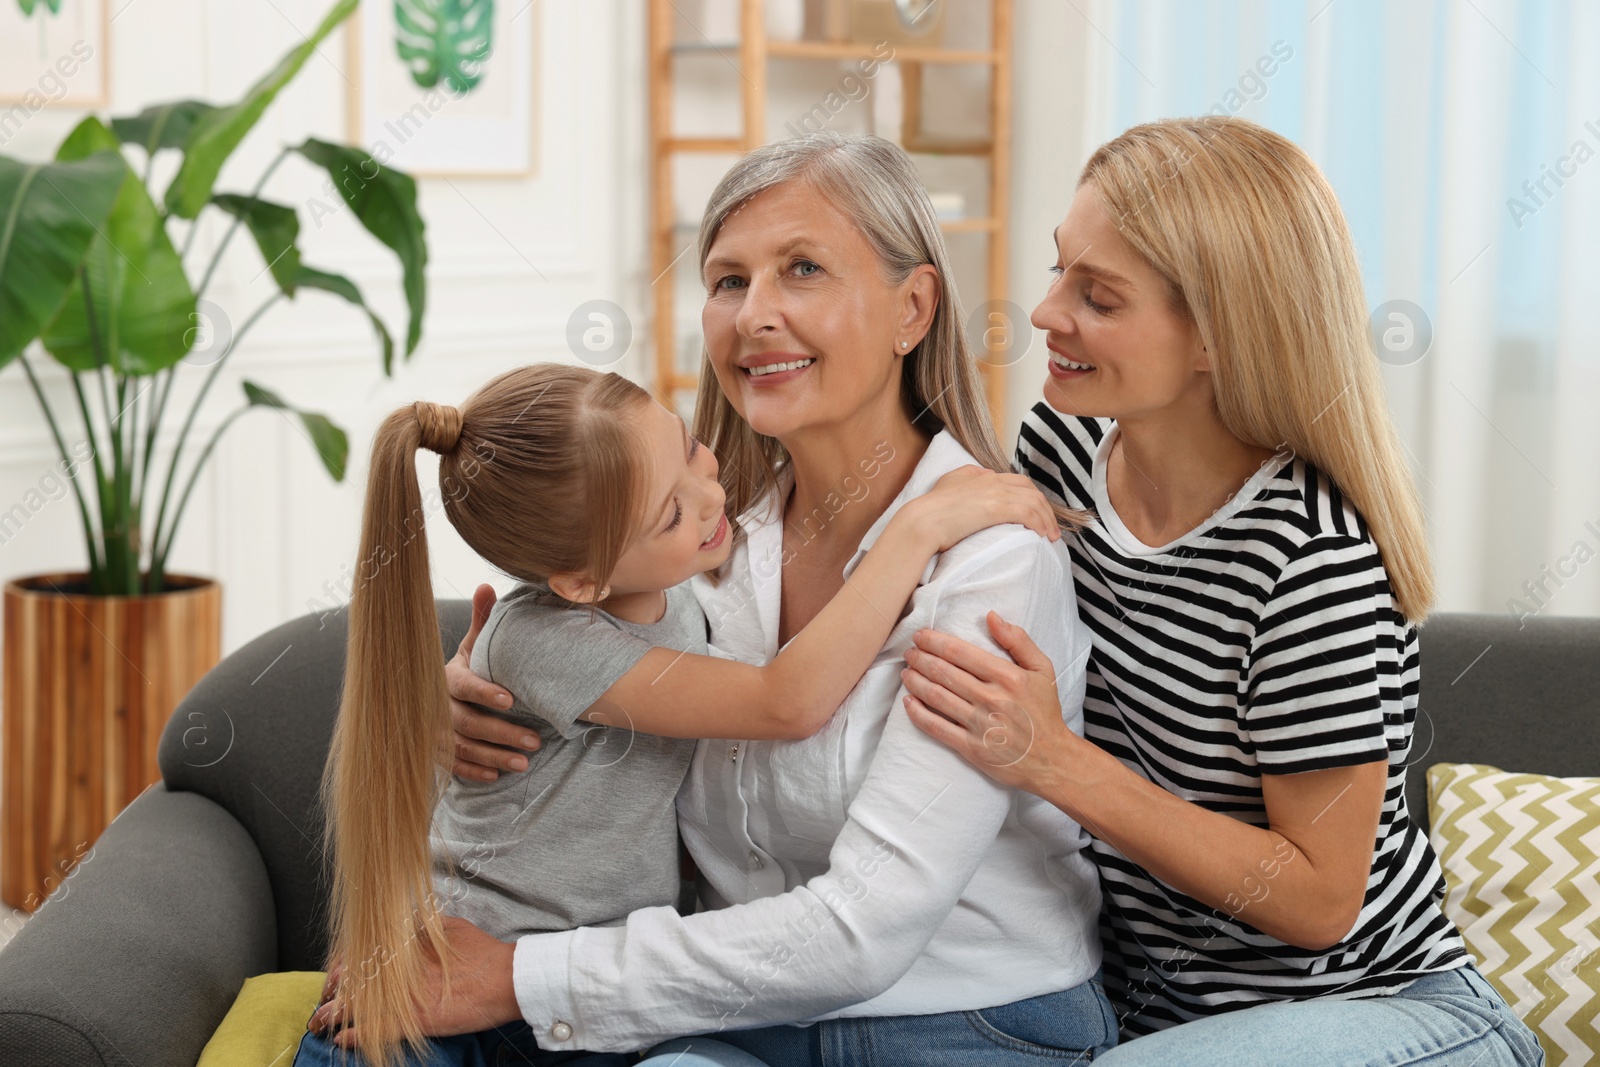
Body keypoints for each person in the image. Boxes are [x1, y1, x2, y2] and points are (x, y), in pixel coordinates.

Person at [429, 132, 1119, 1065]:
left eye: (802, 269)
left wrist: (516, 976)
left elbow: (861, 933)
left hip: (962, 1022)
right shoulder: (695, 544)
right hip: (739, 1014)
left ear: (913, 307)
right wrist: (462, 701)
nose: (754, 315)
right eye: (727, 281)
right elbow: (559, 641)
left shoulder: (991, 562)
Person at [898, 116, 1545, 1066]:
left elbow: (1320, 899)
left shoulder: (1306, 561)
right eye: (1058, 270)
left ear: (1215, 335)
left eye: (1099, 296)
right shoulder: (1062, 454)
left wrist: (1055, 759)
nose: (1044, 314)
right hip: (1154, 1018)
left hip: (1393, 1011)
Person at [298, 362, 1064, 1067]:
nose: (711, 496)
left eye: (691, 446)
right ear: (581, 582)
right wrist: (917, 527)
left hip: (581, 989)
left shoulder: (692, 593)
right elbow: (785, 700)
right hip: (478, 968)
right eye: (670, 514)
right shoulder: (550, 637)